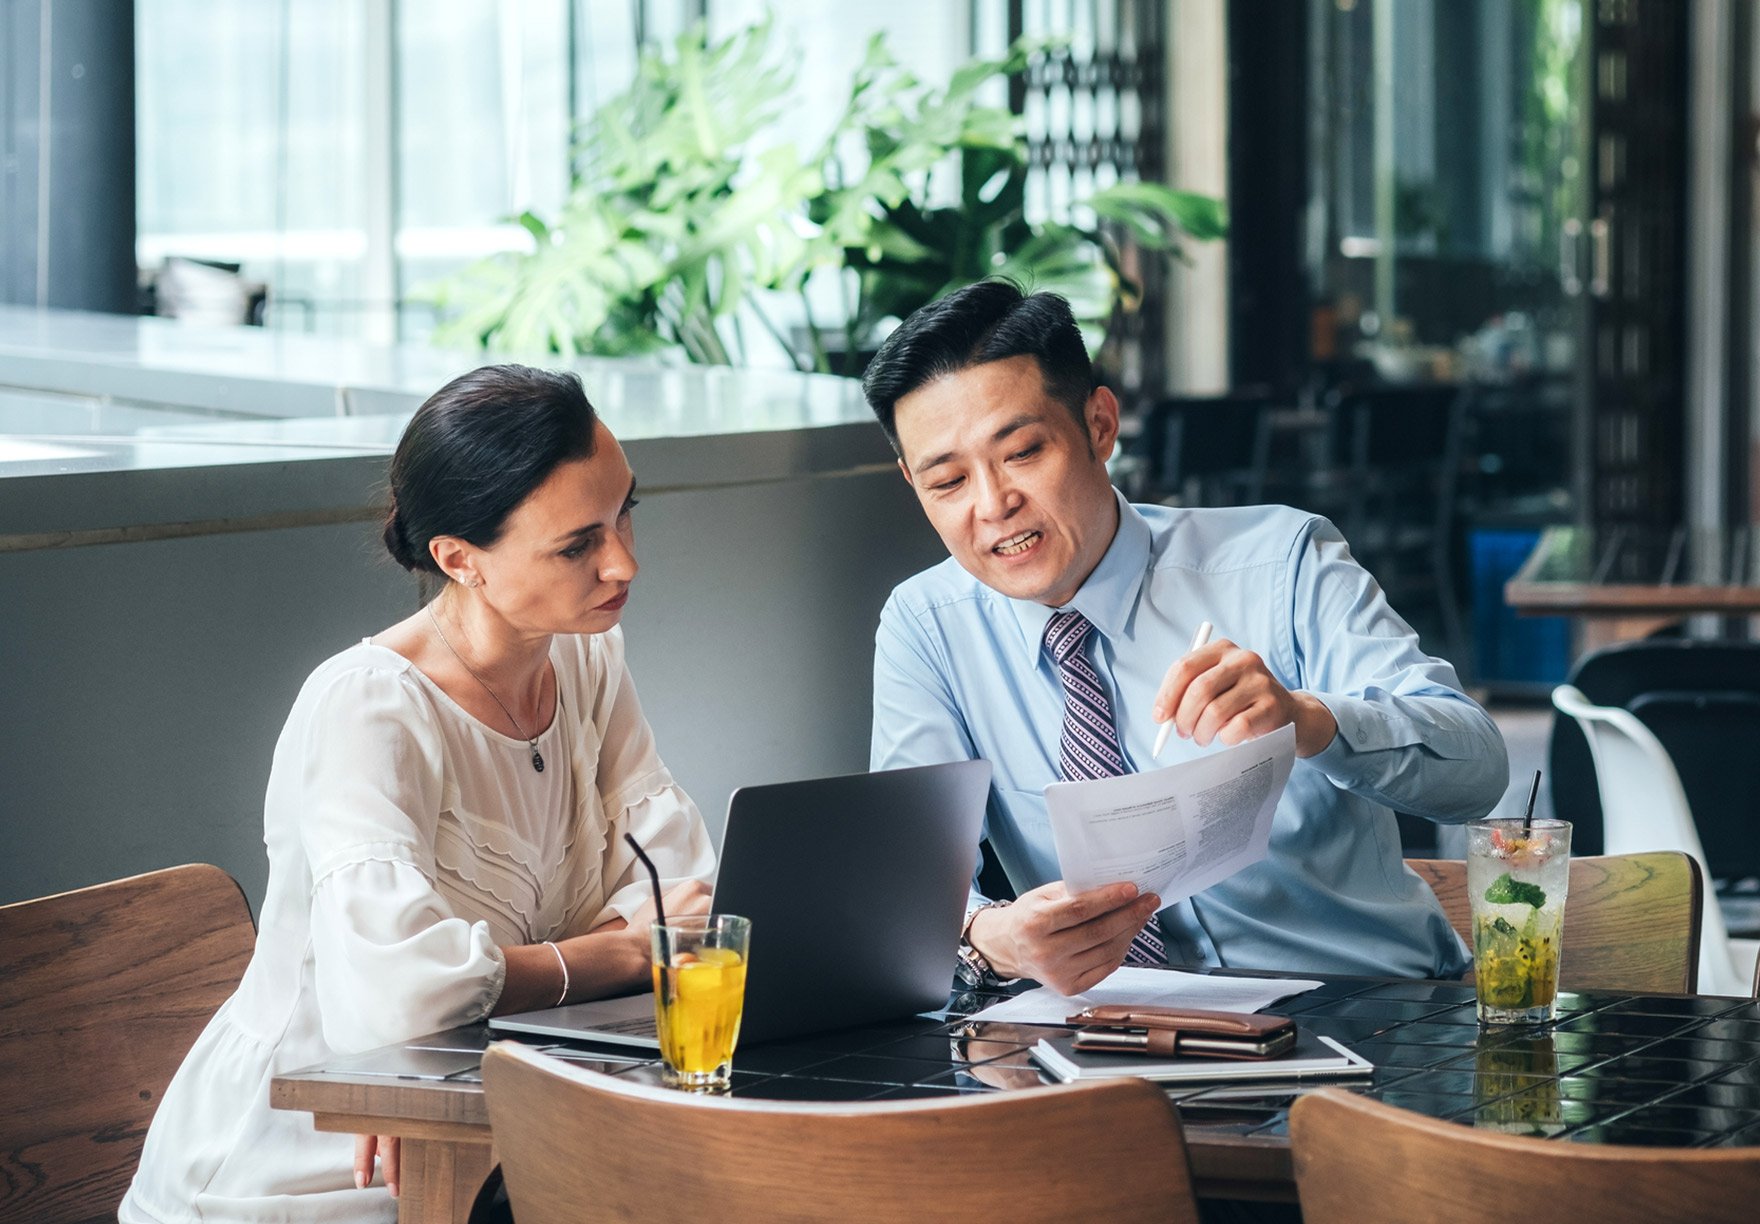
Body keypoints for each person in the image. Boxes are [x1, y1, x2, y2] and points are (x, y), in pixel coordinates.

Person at [121, 365, 714, 1224]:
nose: (623, 560)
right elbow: (399, 990)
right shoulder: (367, 705)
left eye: (625, 510)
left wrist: (463, 1022)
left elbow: (678, 889)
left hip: (478, 1110)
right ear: (458, 559)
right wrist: (615, 954)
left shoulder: (585, 656)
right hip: (305, 1158)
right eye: (577, 544)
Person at [864, 281, 1508, 997]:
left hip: (1363, 1012)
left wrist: (1310, 722)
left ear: (1100, 425)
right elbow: (907, 884)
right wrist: (995, 937)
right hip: (1110, 1041)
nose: (992, 505)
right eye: (948, 481)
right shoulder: (927, 626)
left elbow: (1477, 770)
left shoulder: (1281, 560)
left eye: (1021, 453)